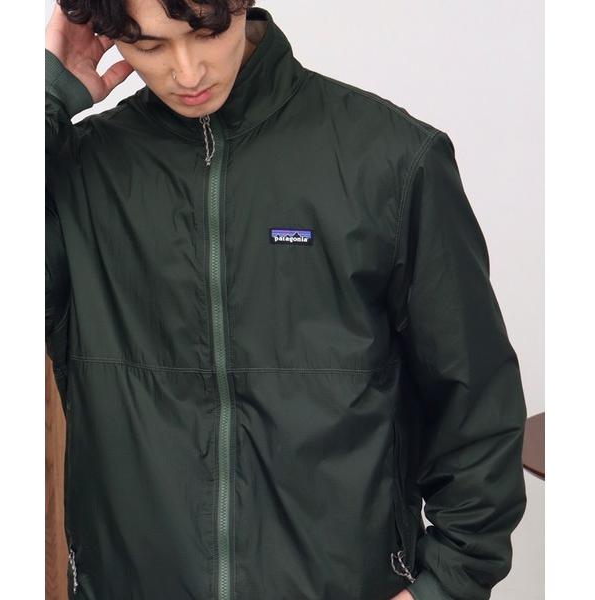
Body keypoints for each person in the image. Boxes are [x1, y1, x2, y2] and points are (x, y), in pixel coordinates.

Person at [45, 1, 528, 599]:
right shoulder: (78, 174)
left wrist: (447, 585)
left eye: (206, 32)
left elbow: (474, 397)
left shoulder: (390, 158)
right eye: (149, 45)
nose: (188, 72)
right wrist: (44, 97)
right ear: (108, 36)